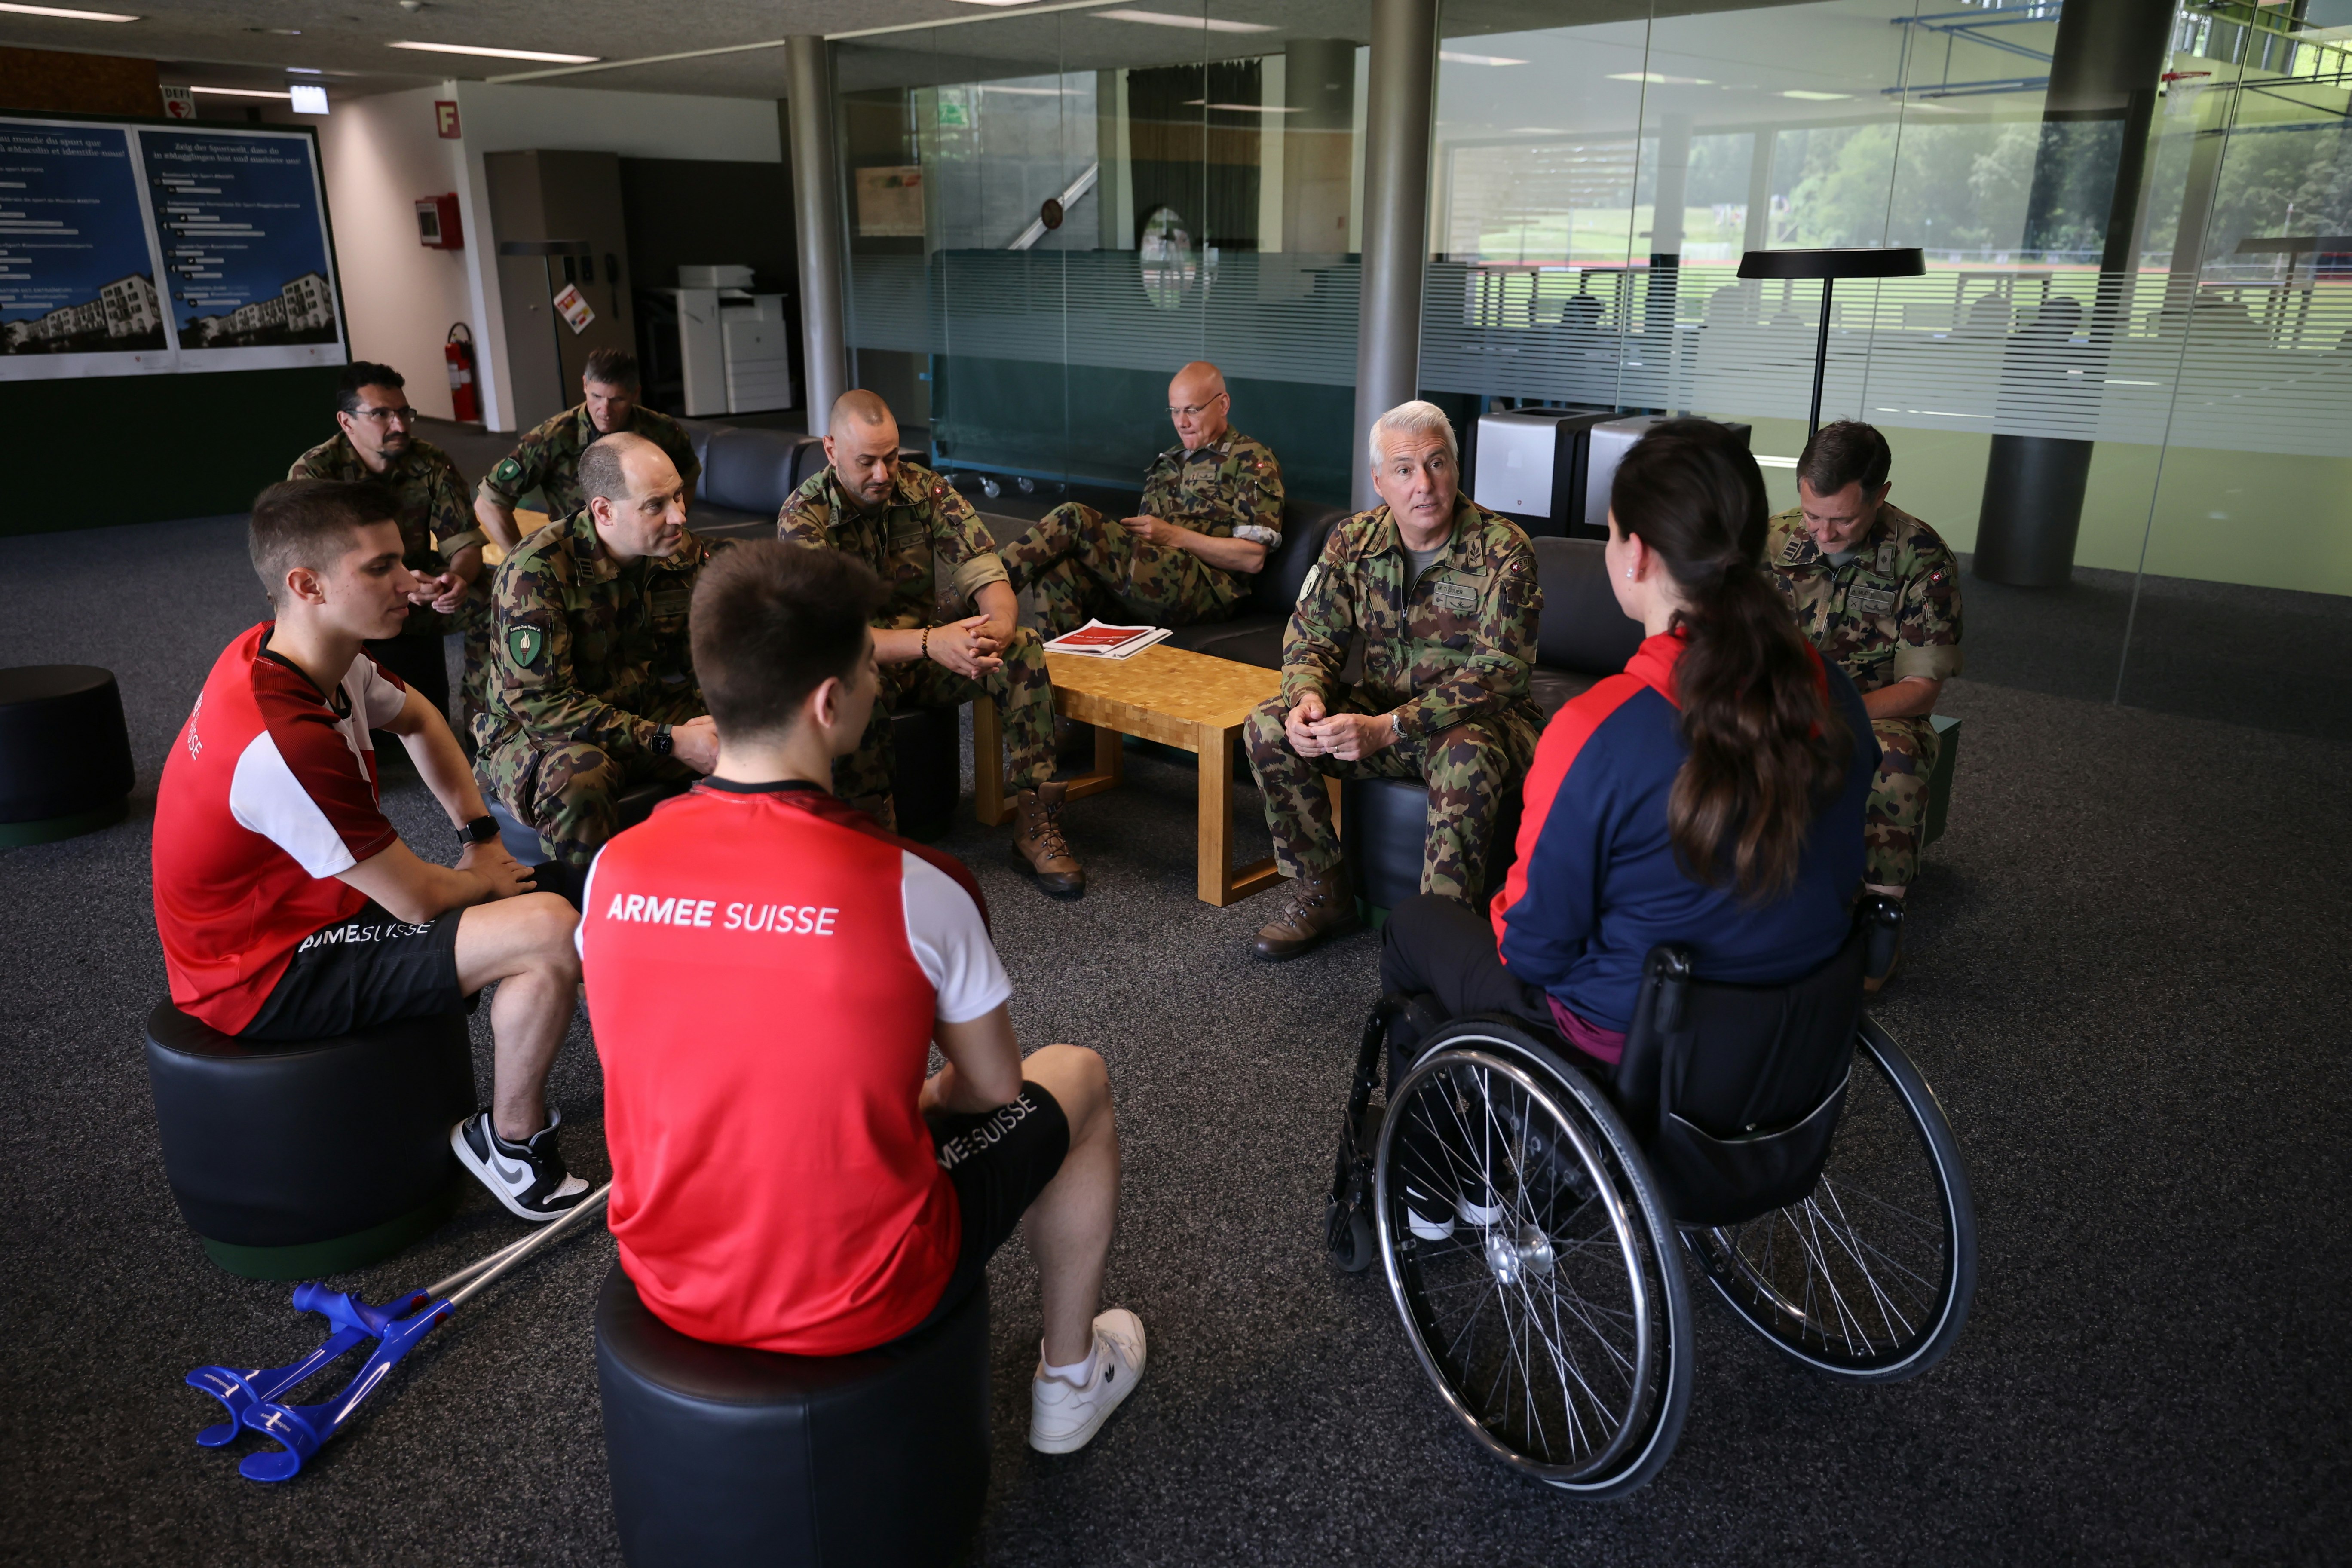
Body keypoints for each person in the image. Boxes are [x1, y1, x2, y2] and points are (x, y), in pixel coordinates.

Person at [580, 541, 1144, 1453]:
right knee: (1076, 1075)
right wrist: (915, 1099)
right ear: (828, 703)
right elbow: (992, 1089)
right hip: (864, 1290)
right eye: (867, 667)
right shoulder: (918, 885)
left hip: (667, 1272)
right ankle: (1072, 1380)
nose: (878, 683)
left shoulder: (612, 866)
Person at [1377, 419, 1875, 1237]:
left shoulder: (1599, 730)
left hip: (1634, 1051)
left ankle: (1444, 1188)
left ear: (1636, 554)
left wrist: (1505, 911)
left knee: (1416, 927)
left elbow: (1532, 952)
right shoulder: (1833, 693)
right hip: (1798, 1037)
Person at [152, 479, 591, 1221]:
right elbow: (415, 899)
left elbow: (420, 719)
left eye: (404, 560)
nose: (410, 582)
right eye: (381, 567)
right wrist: (484, 879)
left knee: (574, 888)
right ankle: (511, 1145)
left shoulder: (304, 654)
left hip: (324, 913)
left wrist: (481, 839)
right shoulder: (280, 739)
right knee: (547, 926)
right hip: (262, 975)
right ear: (307, 585)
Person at [1240, 400, 1543, 962]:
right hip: (1382, 712)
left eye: (1437, 463)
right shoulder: (1352, 541)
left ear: (1455, 468)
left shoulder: (1504, 548)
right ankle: (1325, 893)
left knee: (1465, 753)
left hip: (1481, 724)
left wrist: (1389, 728)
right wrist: (1307, 700)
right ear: (1380, 482)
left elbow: (1498, 674)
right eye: (1405, 469)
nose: (1424, 484)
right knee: (1269, 726)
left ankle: (1440, 940)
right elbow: (1311, 639)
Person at [778, 389, 1084, 900]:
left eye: (892, 457)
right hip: (858, 661)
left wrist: (1000, 625)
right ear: (831, 450)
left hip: (926, 654)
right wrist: (930, 642)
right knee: (852, 681)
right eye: (867, 462)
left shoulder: (924, 489)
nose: (883, 474)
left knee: (1023, 646)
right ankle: (872, 834)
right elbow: (834, 636)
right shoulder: (803, 517)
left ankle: (1036, 823)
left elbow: (986, 571)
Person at [472, 432, 719, 872]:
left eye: (678, 496)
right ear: (604, 511)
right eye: (656, 505)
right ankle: (582, 904)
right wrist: (668, 739)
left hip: (638, 708)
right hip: (538, 734)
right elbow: (543, 706)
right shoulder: (537, 571)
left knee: (758, 733)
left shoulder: (677, 551)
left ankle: (733, 890)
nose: (679, 516)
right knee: (580, 776)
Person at [1763, 420, 1961, 914]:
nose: (1824, 533)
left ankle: (1881, 915)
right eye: (1813, 515)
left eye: (1843, 520)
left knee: (1897, 764)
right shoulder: (1772, 542)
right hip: (1782, 699)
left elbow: (1921, 688)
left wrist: (1834, 713)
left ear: (1880, 496)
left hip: (1877, 708)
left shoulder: (1921, 557)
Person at [998, 361, 1284, 636]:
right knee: (1056, 571)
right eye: (1174, 411)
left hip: (1208, 591)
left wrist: (1174, 536)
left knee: (1073, 518)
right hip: (1154, 584)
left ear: (1223, 405)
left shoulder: (1250, 459)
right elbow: (1145, 547)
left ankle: (982, 591)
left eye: (1192, 410)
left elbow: (1252, 558)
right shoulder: (1168, 462)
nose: (1181, 422)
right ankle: (1058, 666)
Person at [288, 361, 490, 734]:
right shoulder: (315, 475)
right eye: (381, 414)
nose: (399, 425)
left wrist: (455, 580)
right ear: (347, 422)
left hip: (420, 593)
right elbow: (314, 572)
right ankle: (333, 735)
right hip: (350, 601)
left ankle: (484, 729)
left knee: (497, 597)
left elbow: (464, 542)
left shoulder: (430, 462)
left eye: (404, 413)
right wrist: (394, 584)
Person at [472, 348, 701, 555]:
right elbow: (489, 503)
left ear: (635, 394)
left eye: (617, 400)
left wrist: (669, 526)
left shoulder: (662, 431)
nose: (605, 410)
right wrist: (522, 561)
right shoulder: (553, 437)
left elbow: (689, 478)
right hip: (578, 559)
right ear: (585, 385)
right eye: (596, 397)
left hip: (646, 553)